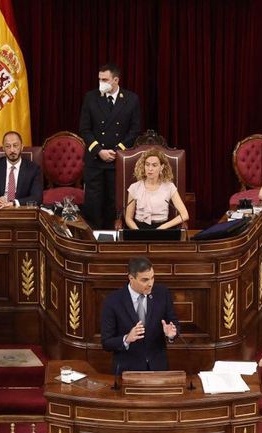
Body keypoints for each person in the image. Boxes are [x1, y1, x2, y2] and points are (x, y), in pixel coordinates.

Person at [79, 63, 142, 229]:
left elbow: (134, 130)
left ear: (116, 80)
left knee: (113, 203)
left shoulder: (131, 99)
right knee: (93, 203)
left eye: (105, 79)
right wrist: (99, 150)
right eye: (99, 79)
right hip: (95, 160)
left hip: (117, 160)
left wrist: (117, 150)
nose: (101, 83)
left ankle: (111, 242)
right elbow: (84, 129)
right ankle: (93, 240)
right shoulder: (91, 97)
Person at [101, 257, 179, 373]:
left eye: (152, 278)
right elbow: (106, 342)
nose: (150, 284)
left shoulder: (162, 294)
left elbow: (174, 323)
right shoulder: (113, 301)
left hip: (158, 368)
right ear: (131, 278)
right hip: (127, 370)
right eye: (145, 280)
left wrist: (171, 333)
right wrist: (126, 339)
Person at [0, 130, 43, 208]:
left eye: (15, 145)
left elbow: (37, 198)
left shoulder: (33, 169)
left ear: (22, 147)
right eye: (8, 146)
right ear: (3, 148)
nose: (12, 150)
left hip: (20, 212)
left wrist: (14, 203)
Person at [124, 148, 189, 230]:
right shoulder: (134, 187)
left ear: (161, 167)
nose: (150, 169)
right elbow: (128, 218)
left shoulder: (169, 187)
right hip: (139, 228)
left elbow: (185, 215)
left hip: (163, 228)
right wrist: (137, 231)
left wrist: (162, 227)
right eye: (147, 164)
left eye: (154, 165)